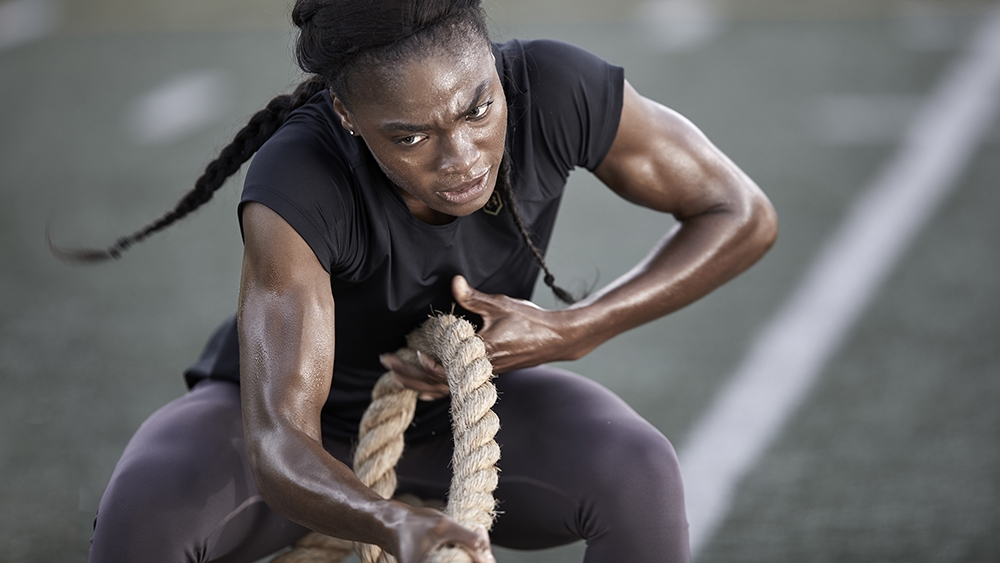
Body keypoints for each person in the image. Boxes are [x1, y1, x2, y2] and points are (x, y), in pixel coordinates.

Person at [75, 0, 777, 561]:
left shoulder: (555, 89)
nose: (462, 156)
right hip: (312, 431)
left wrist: (575, 328)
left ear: (495, 68)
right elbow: (278, 442)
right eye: (411, 136)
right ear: (349, 118)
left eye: (478, 109)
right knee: (147, 507)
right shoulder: (296, 182)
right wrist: (387, 522)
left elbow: (741, 213)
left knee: (639, 468)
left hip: (460, 413)